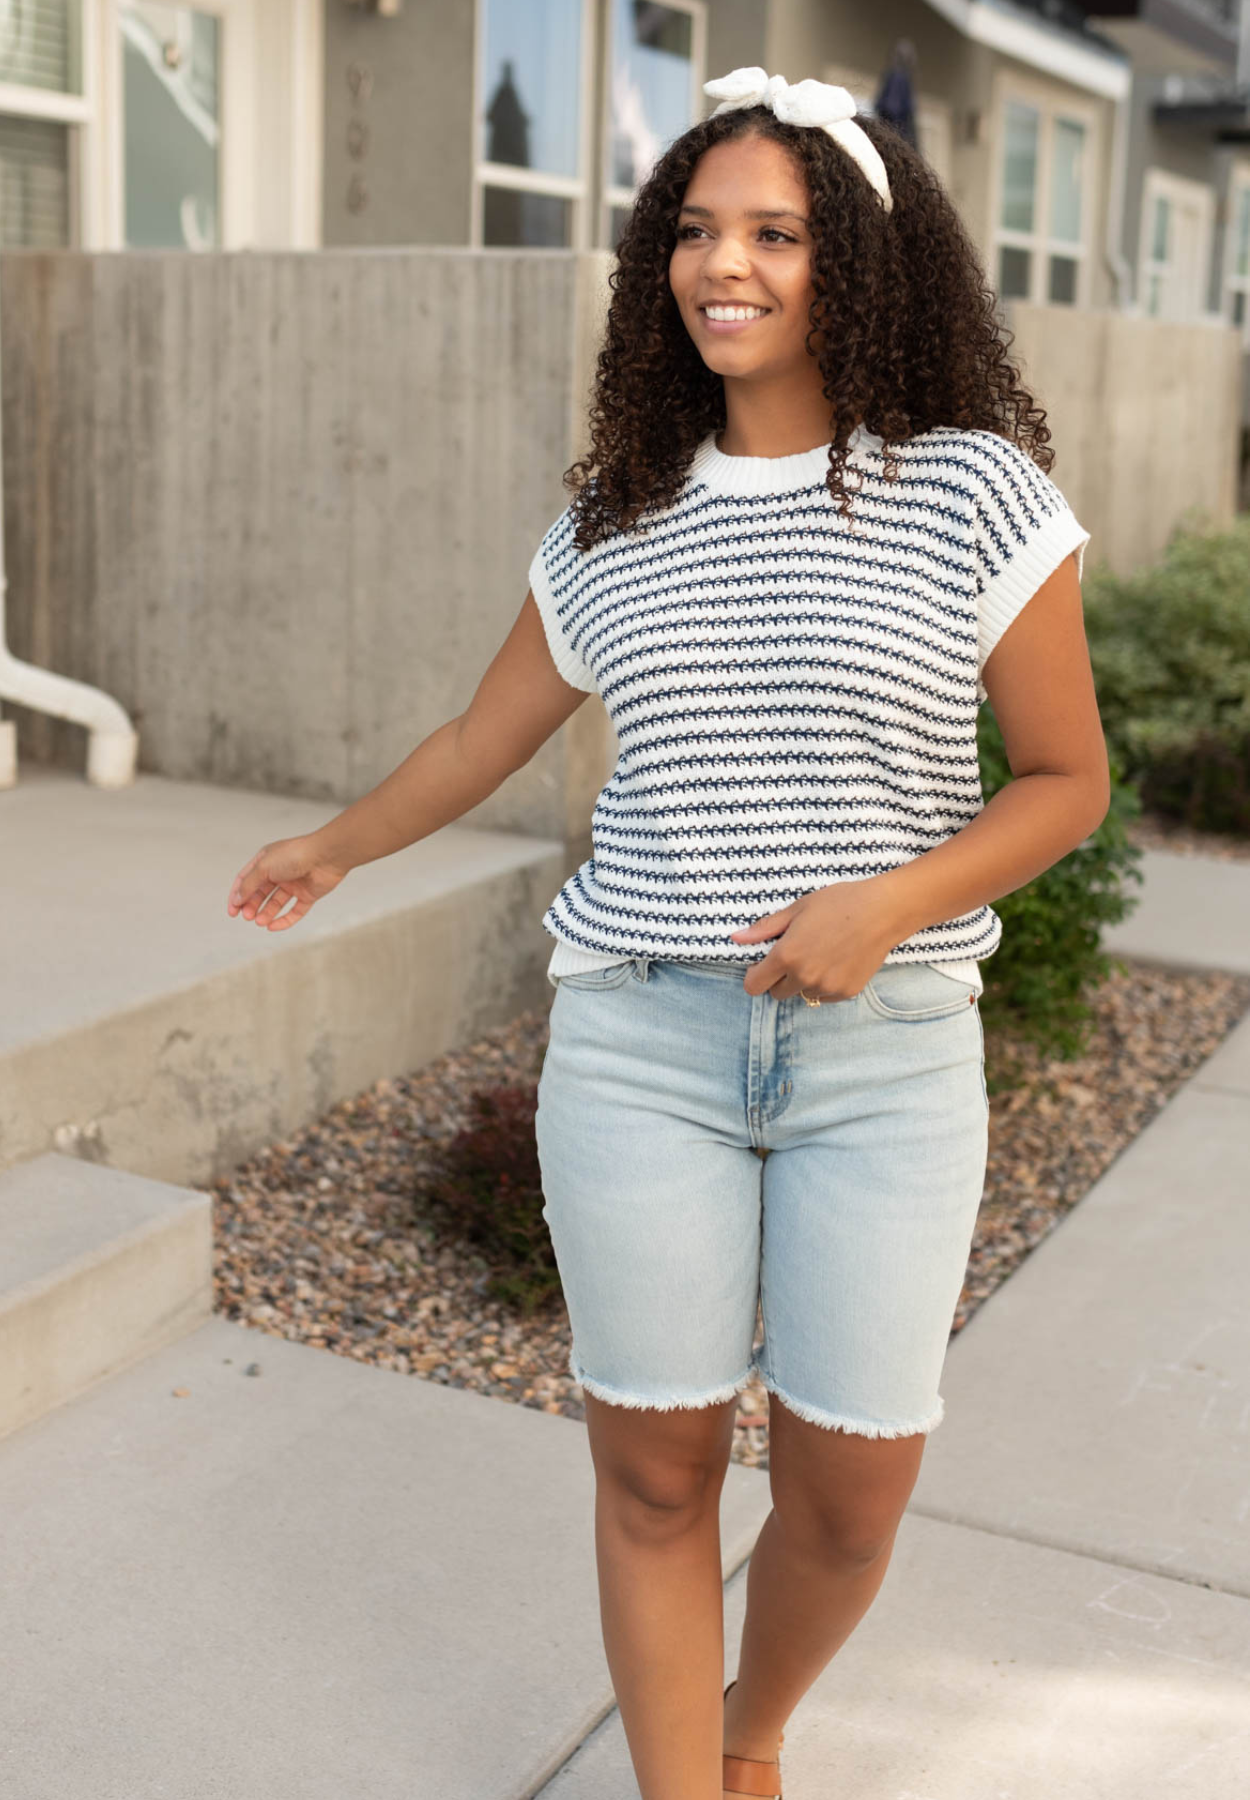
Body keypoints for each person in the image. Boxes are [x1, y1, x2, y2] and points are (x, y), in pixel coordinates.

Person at [226, 65, 1110, 1800]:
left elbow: (1066, 782)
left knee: (852, 1495)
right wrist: (332, 846)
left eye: (776, 232)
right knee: (651, 1478)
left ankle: (749, 1726)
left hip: (885, 1056)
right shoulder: (615, 524)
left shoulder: (971, 495)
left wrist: (885, 904)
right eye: (695, 231)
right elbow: (485, 740)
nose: (729, 265)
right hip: (640, 1041)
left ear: (854, 257)